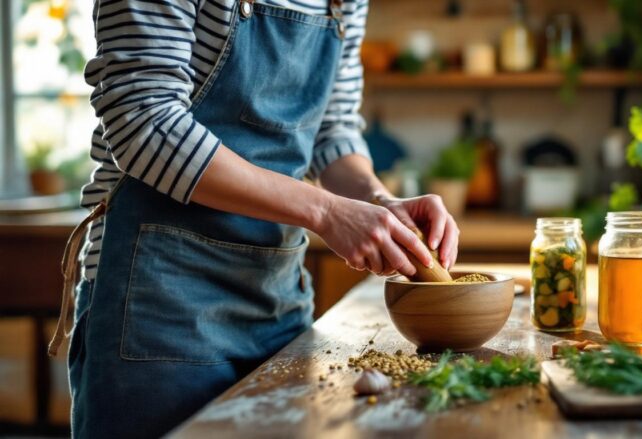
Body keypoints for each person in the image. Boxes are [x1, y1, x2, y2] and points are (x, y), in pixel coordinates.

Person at [50, 0, 459, 437]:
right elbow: (143, 123)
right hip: (158, 306)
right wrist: (325, 210)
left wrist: (378, 200)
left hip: (277, 304)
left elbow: (333, 128)